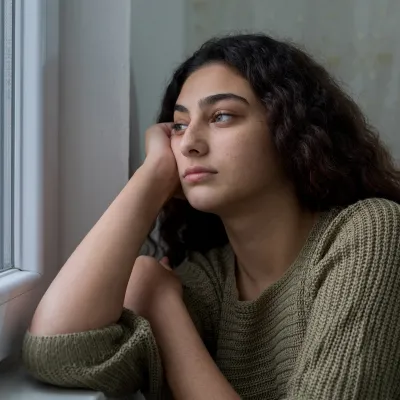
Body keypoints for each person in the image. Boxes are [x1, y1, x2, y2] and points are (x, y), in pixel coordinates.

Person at [22, 33, 400, 400]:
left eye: (221, 116)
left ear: (293, 129)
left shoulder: (371, 232)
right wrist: (153, 175)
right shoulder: (210, 280)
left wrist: (161, 305)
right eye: (180, 125)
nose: (189, 143)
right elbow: (57, 351)